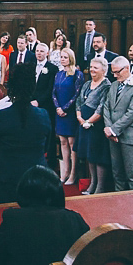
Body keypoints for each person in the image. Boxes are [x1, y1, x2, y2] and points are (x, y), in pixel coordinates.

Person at [0, 63, 52, 204]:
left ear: (10, 87)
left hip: (6, 179)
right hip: (35, 178)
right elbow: (46, 148)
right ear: (33, 87)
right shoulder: (43, 115)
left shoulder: (1, 116)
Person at [103, 56, 133, 191]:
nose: (115, 76)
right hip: (112, 134)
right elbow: (107, 107)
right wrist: (108, 128)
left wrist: (114, 130)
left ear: (127, 68)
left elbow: (131, 114)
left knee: (131, 173)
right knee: (117, 171)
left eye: (118, 72)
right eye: (113, 73)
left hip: (129, 135)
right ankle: (119, 199)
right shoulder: (114, 85)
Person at [76, 57, 110, 195]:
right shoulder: (87, 83)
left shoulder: (106, 86)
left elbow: (102, 108)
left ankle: (100, 187)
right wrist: (79, 117)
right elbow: (78, 100)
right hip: (83, 123)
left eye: (95, 68)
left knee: (98, 156)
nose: (92, 70)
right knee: (89, 155)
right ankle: (92, 183)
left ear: (103, 70)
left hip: (96, 126)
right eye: (91, 67)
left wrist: (89, 122)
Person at [52, 48, 83, 185]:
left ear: (71, 58)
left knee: (72, 143)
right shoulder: (58, 74)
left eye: (65, 57)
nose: (62, 59)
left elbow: (77, 94)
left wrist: (65, 108)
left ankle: (73, 172)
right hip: (59, 112)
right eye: (61, 57)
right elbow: (53, 92)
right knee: (63, 142)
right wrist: (58, 107)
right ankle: (65, 171)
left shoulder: (77, 74)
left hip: (70, 112)